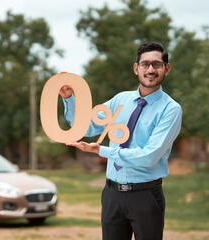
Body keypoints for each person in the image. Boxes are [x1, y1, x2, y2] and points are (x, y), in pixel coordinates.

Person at [60, 42, 182, 240]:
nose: (150, 69)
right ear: (136, 68)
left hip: (146, 196)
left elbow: (148, 156)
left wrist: (102, 150)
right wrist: (69, 99)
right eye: (145, 64)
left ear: (166, 69)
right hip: (112, 194)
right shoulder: (120, 100)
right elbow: (86, 126)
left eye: (157, 64)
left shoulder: (171, 109)